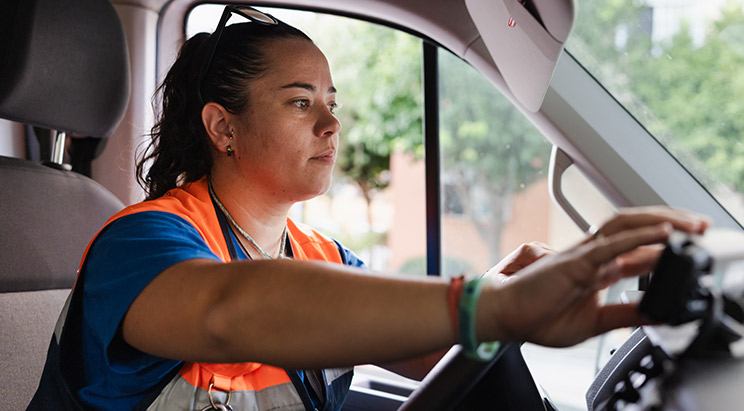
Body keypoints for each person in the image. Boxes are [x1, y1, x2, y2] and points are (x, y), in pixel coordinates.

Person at [29, 5, 711, 411]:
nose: (331, 124)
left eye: (333, 102)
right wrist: (488, 305)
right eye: (301, 102)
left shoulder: (317, 254)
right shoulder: (142, 242)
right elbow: (228, 311)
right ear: (222, 127)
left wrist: (514, 290)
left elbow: (424, 342)